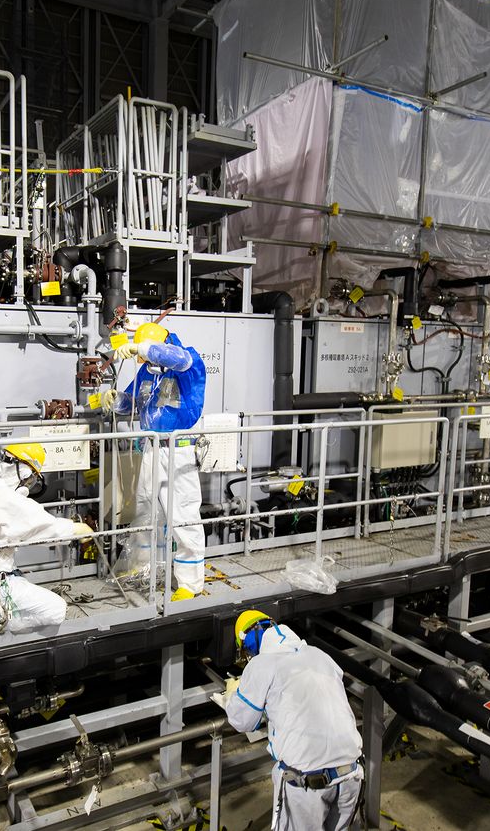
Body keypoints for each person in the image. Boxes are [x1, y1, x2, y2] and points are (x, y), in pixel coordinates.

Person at [224, 611, 363, 831]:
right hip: (351, 776)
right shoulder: (319, 654)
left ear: (247, 641)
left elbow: (242, 721)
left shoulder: (261, 664)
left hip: (308, 786)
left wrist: (233, 694)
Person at [102, 321, 207, 601]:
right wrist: (115, 399)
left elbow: (178, 359)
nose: (145, 362)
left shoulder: (188, 361)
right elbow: (133, 402)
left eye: (147, 355)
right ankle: (143, 568)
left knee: (183, 515)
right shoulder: (148, 371)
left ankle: (190, 583)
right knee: (144, 509)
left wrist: (141, 348)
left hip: (178, 450)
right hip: (151, 448)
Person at [0, 442, 94, 636]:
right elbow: (47, 528)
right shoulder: (9, 499)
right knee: (56, 610)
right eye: (32, 478)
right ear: (25, 471)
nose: (29, 483)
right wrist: (76, 529)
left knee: (18, 576)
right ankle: (0, 621)